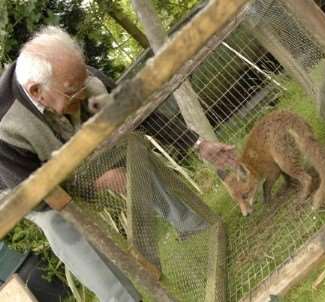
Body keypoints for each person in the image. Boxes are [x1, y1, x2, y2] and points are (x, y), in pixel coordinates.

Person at [0, 26, 205, 302]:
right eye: (74, 90)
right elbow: (35, 199)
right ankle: (124, 298)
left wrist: (197, 144)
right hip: (27, 188)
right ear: (37, 92)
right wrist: (98, 181)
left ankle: (194, 225)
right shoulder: (5, 126)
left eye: (83, 79)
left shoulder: (78, 77)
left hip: (77, 152)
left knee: (131, 146)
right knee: (61, 223)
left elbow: (137, 112)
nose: (85, 93)